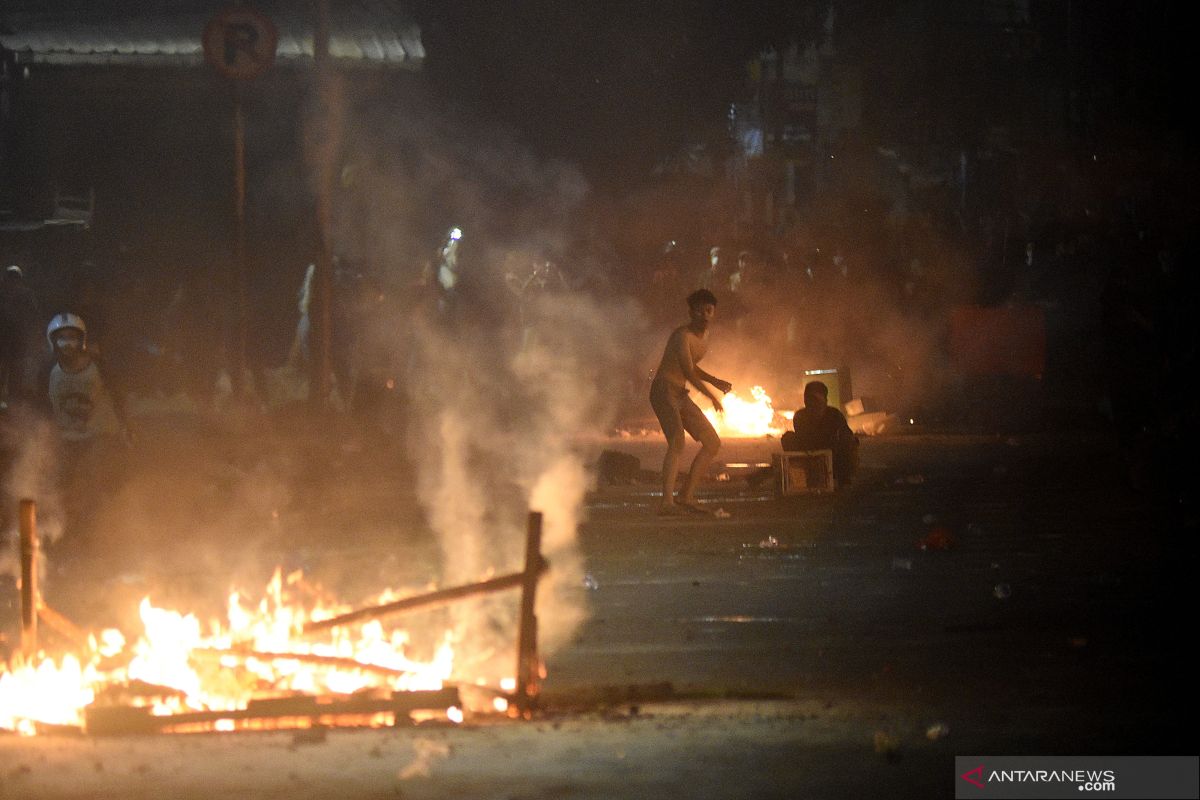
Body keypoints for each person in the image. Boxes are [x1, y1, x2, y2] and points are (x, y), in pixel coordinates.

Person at [650, 289, 732, 515]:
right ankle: (666, 503)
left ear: (713, 312)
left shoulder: (704, 338)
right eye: (699, 311)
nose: (704, 315)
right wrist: (712, 396)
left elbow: (692, 367)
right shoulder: (682, 336)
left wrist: (716, 381)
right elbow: (687, 370)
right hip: (664, 390)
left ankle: (686, 496)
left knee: (712, 442)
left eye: (709, 310)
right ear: (691, 313)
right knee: (677, 441)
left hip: (680, 393)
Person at [783, 380, 858, 486]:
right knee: (788, 437)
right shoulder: (801, 416)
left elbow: (846, 436)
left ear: (824, 399)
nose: (811, 402)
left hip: (834, 456)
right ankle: (800, 476)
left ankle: (843, 478)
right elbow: (803, 438)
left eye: (815, 399)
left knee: (849, 442)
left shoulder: (834, 415)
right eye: (808, 399)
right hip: (809, 453)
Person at [0, 265, 41, 407]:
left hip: (18, 341)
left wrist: (34, 336)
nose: (13, 282)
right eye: (10, 278)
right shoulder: (3, 294)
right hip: (4, 340)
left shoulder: (26, 295)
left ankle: (13, 403)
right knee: (4, 369)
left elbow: (34, 316)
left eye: (15, 278)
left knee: (16, 372)